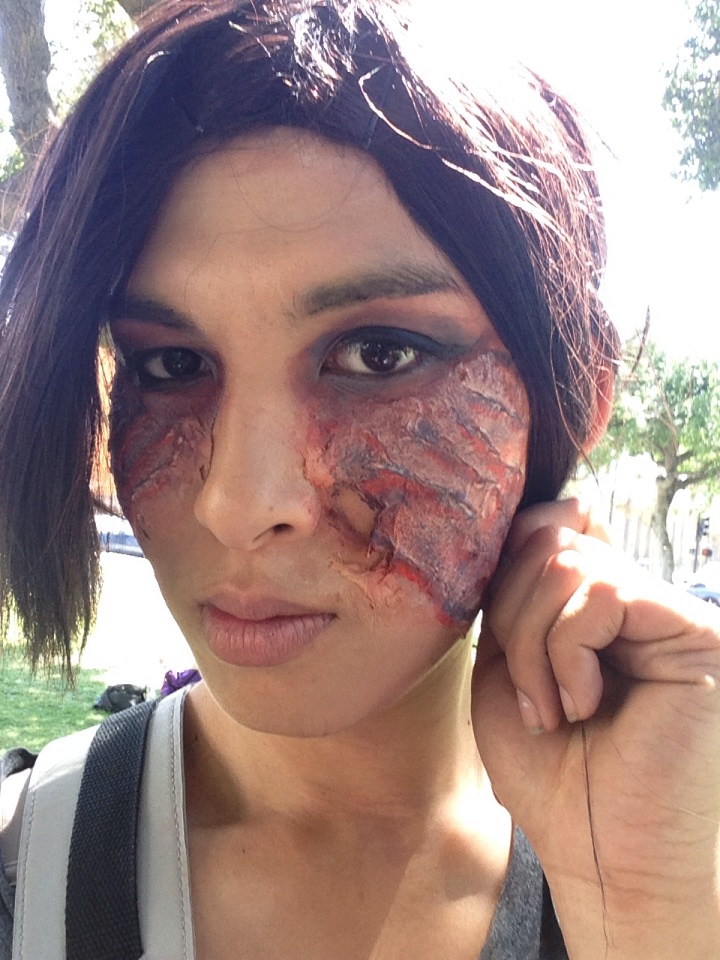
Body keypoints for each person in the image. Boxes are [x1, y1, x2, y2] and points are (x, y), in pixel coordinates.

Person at [0, 0, 719, 957]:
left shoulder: (667, 867)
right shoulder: (25, 868)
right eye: (171, 365)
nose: (239, 506)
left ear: (577, 399)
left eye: (379, 354)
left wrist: (651, 917)